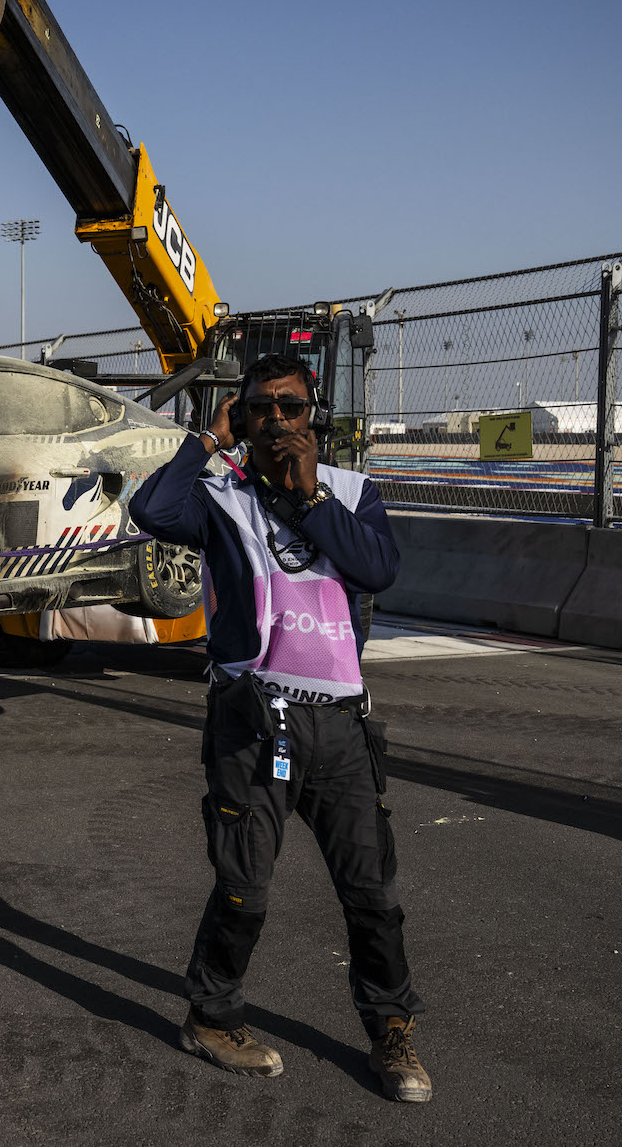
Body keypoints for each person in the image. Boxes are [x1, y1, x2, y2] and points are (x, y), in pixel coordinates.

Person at [129, 352, 430, 1103]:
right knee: (244, 887)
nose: (276, 422)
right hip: (254, 721)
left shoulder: (355, 495)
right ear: (244, 418)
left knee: (372, 893)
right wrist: (208, 439)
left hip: (340, 727)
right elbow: (153, 511)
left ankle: (391, 1029)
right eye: (259, 410)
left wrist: (311, 497)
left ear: (313, 414)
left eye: (289, 408)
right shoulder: (223, 497)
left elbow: (377, 570)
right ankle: (212, 1015)